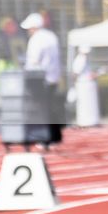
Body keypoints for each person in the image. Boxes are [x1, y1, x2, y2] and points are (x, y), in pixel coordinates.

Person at [22, 10, 64, 146]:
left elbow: (33, 62)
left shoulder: (36, 39)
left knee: (41, 110)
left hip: (40, 80)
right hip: (53, 78)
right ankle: (54, 137)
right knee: (51, 108)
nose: (28, 31)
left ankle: (44, 139)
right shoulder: (52, 36)